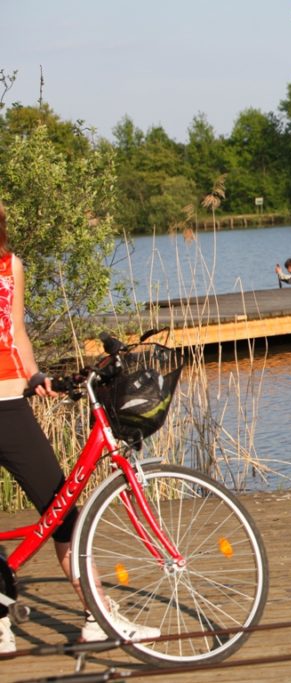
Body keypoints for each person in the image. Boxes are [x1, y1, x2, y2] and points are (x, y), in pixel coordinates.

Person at [0, 201, 159, 653]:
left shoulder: (11, 265)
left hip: (10, 402)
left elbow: (16, 330)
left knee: (60, 513)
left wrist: (34, 375)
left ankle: (98, 616)